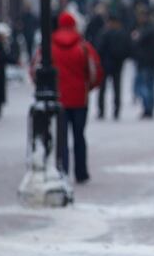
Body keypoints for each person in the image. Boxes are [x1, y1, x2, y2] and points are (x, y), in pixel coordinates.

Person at [45, 12, 103, 183]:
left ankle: (62, 170)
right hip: (79, 98)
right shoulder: (83, 46)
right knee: (79, 136)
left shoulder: (49, 46)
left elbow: (36, 69)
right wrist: (88, 87)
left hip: (58, 99)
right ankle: (81, 172)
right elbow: (96, 71)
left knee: (61, 137)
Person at [96, 14, 132, 120]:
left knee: (103, 89)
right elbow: (128, 48)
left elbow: (99, 48)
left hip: (105, 64)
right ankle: (116, 110)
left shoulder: (104, 33)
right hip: (117, 65)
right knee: (116, 88)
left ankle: (101, 110)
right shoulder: (123, 34)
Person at [132, 10, 154, 119]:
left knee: (144, 86)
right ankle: (149, 107)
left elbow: (138, 40)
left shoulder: (146, 30)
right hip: (148, 62)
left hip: (145, 62)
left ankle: (148, 108)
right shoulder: (150, 29)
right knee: (149, 86)